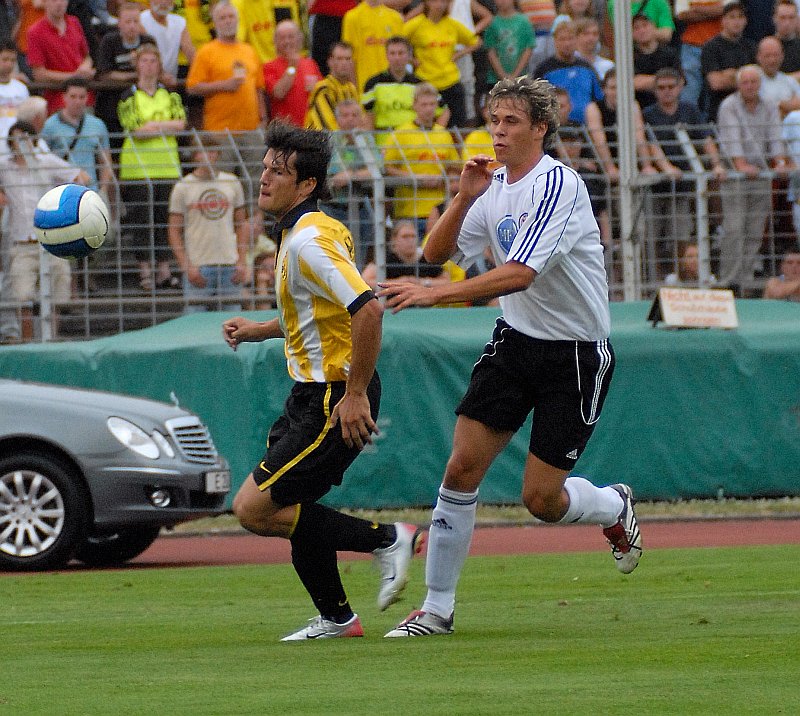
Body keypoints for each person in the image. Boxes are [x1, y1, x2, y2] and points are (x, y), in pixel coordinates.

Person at [378, 76, 641, 638]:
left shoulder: (558, 183)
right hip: (515, 341)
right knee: (460, 468)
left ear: (540, 127)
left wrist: (433, 295)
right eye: (493, 120)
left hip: (575, 355)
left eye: (511, 121)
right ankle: (436, 609)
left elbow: (520, 274)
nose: (497, 131)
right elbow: (436, 252)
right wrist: (463, 196)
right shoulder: (494, 184)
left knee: (541, 500)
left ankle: (612, 506)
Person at [221, 120, 424, 641]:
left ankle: (388, 539)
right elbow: (320, 314)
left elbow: (368, 309)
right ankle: (337, 618)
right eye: (265, 167)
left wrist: (354, 395)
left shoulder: (310, 240)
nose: (264, 178)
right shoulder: (308, 232)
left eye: (278, 171)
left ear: (307, 184)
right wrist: (260, 330)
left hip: (334, 395)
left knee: (253, 508)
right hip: (312, 393)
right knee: (291, 506)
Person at [0, 120, 90, 344]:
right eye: (16, 139)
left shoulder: (47, 162)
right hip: (22, 242)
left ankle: (51, 340)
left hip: (51, 240)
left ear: (34, 140)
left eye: (25, 138)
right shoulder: (4, 167)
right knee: (23, 297)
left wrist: (66, 203)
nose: (21, 143)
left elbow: (81, 177)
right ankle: (27, 343)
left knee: (57, 294)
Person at [644, 67, 727, 278]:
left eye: (671, 87)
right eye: (661, 88)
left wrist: (716, 164)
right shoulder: (648, 115)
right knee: (651, 235)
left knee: (681, 234)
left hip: (682, 186)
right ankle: (653, 281)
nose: (666, 91)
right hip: (654, 187)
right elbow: (648, 144)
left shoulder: (689, 110)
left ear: (680, 87)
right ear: (655, 90)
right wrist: (665, 168)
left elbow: (706, 139)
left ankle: (680, 279)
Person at [716, 64, 792, 294]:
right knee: (734, 228)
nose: (749, 86)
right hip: (735, 175)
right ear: (739, 85)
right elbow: (731, 139)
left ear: (760, 84)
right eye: (745, 82)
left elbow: (775, 136)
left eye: (754, 82)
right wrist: (740, 164)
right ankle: (729, 281)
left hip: (760, 173)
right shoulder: (729, 105)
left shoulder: (769, 105)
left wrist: (779, 161)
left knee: (756, 229)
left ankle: (746, 280)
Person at [117, 43, 187, 291]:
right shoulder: (128, 95)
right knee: (141, 221)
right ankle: (145, 271)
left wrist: (153, 126)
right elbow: (135, 128)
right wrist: (164, 125)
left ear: (159, 66)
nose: (148, 66)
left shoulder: (170, 95)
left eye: (153, 61)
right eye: (144, 61)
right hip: (137, 169)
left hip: (167, 167)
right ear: (137, 65)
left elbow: (181, 124)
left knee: (164, 220)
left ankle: (164, 270)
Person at [186, 1, 267, 183]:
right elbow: (192, 87)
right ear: (215, 23)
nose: (228, 21)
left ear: (238, 20)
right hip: (220, 131)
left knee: (256, 180)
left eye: (231, 17)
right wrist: (224, 85)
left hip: (251, 130)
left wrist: (263, 119)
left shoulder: (249, 50)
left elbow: (258, 88)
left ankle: (252, 204)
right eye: (222, 18)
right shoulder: (206, 52)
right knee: (222, 180)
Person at [167, 138, 249, 313]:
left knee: (233, 320)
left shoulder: (232, 182)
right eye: (203, 152)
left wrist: (242, 260)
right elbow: (174, 230)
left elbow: (242, 223)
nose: (208, 156)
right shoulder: (183, 186)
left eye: (212, 152)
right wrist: (186, 265)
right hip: (198, 264)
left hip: (229, 263)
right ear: (195, 156)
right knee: (193, 320)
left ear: (218, 155)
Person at [383, 82, 461, 239]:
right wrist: (415, 178)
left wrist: (443, 179)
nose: (428, 109)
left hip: (440, 209)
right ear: (414, 105)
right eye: (424, 104)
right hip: (409, 211)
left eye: (432, 104)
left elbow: (454, 166)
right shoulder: (400, 134)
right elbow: (387, 168)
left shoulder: (443, 134)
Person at [401, 0, 481, 129]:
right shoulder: (416, 24)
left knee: (457, 126)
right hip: (426, 81)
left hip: (450, 81)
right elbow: (397, 42)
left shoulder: (452, 24)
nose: (439, 5)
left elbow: (475, 41)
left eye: (443, 2)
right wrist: (411, 59)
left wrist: (458, 54)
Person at [320, 98, 382, 257]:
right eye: (345, 115)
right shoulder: (329, 141)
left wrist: (351, 175)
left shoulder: (366, 139)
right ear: (337, 119)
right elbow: (334, 174)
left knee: (359, 250)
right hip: (332, 206)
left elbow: (377, 169)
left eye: (355, 115)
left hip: (360, 204)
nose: (350, 119)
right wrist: (358, 173)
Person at [361, 35, 450, 140]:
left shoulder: (420, 84)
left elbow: (444, 111)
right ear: (387, 55)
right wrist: (370, 145)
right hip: (384, 141)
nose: (397, 58)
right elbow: (368, 117)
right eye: (392, 53)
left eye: (401, 53)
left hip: (415, 141)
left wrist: (435, 135)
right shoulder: (374, 84)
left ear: (409, 56)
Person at [95, 2, 157, 142]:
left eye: (136, 21)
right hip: (112, 105)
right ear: (119, 23)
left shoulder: (148, 41)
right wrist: (136, 75)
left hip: (143, 104)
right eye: (128, 22)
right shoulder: (109, 41)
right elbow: (104, 74)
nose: (132, 26)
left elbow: (156, 69)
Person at [41, 78, 113, 195]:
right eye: (73, 97)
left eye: (82, 97)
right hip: (60, 191)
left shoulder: (97, 125)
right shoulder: (50, 125)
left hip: (89, 189)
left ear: (87, 98)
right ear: (64, 97)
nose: (77, 101)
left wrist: (103, 190)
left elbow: (105, 161)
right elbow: (43, 158)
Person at [26, 0, 95, 113]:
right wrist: (74, 76)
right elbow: (39, 74)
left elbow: (87, 56)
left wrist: (85, 67)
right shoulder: (35, 32)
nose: (59, 3)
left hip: (85, 100)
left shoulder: (75, 22)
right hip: (57, 103)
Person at [534, 20, 603, 124]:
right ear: (555, 41)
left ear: (576, 40)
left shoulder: (587, 68)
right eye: (562, 39)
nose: (567, 43)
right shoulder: (544, 70)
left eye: (570, 38)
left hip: (586, 127)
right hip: (556, 127)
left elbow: (598, 99)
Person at [700, 0, 756, 121]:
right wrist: (745, 77)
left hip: (748, 111)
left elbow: (758, 80)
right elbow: (716, 83)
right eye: (732, 17)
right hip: (719, 110)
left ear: (746, 21)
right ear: (723, 20)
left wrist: (730, 75)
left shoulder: (751, 47)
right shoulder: (711, 47)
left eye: (740, 17)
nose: (737, 21)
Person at [263, 20, 323, 128]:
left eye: (291, 37)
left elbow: (321, 92)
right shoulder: (269, 67)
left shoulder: (310, 63)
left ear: (299, 39)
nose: (287, 41)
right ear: (275, 42)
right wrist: (292, 67)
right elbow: (278, 93)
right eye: (282, 38)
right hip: (285, 129)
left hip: (311, 127)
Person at [361, 218, 448, 288]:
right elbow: (365, 280)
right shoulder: (387, 258)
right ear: (394, 239)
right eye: (405, 237)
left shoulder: (426, 257)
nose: (410, 241)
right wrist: (398, 283)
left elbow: (447, 281)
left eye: (413, 236)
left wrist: (423, 282)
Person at [341, 0, 404, 95]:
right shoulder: (352, 17)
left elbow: (401, 55)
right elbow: (349, 58)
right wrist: (354, 90)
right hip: (365, 87)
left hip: (392, 88)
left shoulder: (395, 18)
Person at [139, 0, 196, 87]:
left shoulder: (179, 22)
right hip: (147, 83)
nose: (164, 2)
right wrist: (161, 75)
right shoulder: (141, 20)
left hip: (171, 83)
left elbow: (190, 52)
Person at [632, 12, 682, 111]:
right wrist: (666, 80)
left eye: (645, 25)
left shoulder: (670, 53)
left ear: (654, 27)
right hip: (639, 108)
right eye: (636, 28)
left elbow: (680, 81)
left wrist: (645, 81)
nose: (642, 30)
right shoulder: (630, 57)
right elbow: (633, 83)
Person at [483, 0, 537, 92]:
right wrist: (502, 75)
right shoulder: (492, 23)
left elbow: (528, 49)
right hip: (496, 79)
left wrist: (515, 75)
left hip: (521, 78)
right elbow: (491, 51)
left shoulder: (524, 21)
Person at [305, 41, 360, 130]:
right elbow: (328, 128)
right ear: (330, 62)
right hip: (319, 138)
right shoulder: (323, 89)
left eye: (348, 59)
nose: (344, 63)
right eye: (339, 59)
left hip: (344, 138)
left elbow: (358, 120)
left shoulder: (351, 88)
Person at [232, 0, 306, 65]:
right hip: (260, 68)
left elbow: (294, 34)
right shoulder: (239, 4)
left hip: (291, 62)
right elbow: (235, 42)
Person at [756, 36, 800, 117]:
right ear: (759, 57)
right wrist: (787, 106)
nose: (772, 60)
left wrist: (781, 105)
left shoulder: (789, 81)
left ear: (782, 56)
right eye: (767, 56)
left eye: (775, 55)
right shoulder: (752, 81)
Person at [0, 41, 30, 145]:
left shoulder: (21, 88)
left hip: (18, 140)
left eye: (13, 60)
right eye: (5, 59)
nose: (9, 64)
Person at [607, 0, 675, 45]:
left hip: (657, 53)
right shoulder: (615, 4)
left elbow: (667, 34)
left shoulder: (659, 2)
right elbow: (621, 36)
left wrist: (640, 33)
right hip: (631, 54)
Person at [574, 17, 614, 82]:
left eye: (595, 34)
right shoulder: (569, 63)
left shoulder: (607, 66)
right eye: (586, 34)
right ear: (576, 36)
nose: (591, 38)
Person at [774, 0, 800, 79]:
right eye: (782, 18)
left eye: (791, 18)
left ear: (797, 19)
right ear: (774, 19)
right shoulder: (767, 47)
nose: (787, 23)